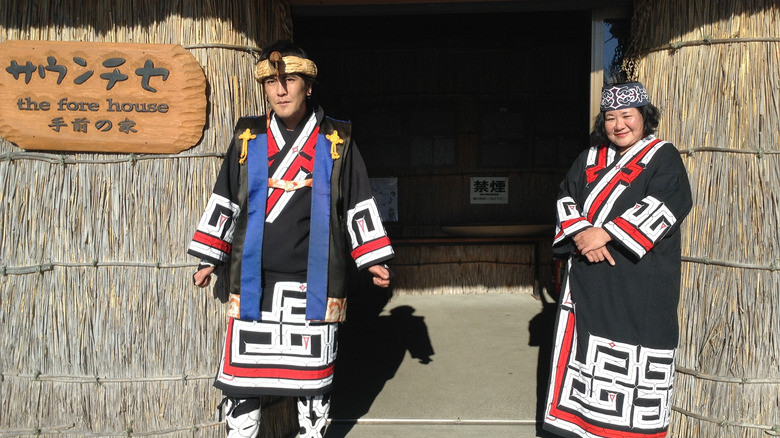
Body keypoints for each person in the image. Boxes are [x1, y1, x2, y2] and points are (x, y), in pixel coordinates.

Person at [187, 40, 394, 438]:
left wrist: (372, 258)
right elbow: (227, 196)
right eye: (272, 82)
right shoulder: (248, 138)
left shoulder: (337, 140)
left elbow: (356, 200)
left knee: (312, 391)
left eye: (291, 80)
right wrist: (210, 256)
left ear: (309, 86)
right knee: (241, 387)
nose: (281, 91)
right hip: (253, 284)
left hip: (313, 284)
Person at [543, 82, 692, 438]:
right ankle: (582, 427)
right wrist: (582, 234)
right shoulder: (590, 158)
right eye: (611, 118)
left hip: (640, 283)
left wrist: (605, 233)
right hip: (588, 281)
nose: (619, 125)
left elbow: (667, 203)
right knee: (586, 353)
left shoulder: (662, 155)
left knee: (635, 353)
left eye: (627, 115)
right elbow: (566, 197)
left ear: (644, 117)